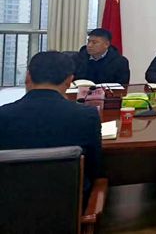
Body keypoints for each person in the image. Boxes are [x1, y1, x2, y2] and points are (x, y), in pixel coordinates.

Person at [0, 51, 102, 189]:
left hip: (9, 199)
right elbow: (94, 168)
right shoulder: (87, 116)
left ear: (28, 76)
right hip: (70, 199)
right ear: (69, 81)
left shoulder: (3, 115)